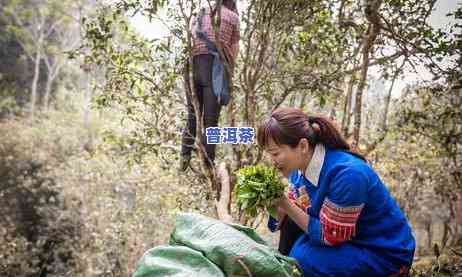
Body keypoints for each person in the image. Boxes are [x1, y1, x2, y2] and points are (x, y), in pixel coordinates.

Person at [257, 107, 415, 277]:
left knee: (301, 260)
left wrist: (286, 205)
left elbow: (330, 235)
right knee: (290, 233)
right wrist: (276, 206)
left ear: (302, 145)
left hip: (381, 252)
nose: (272, 161)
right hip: (348, 242)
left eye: (275, 153)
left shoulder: (348, 174)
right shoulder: (299, 171)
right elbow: (287, 215)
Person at [180, 0, 240, 171]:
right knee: (210, 122)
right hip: (214, 67)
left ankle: (184, 156)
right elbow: (234, 52)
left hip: (192, 65)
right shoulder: (233, 18)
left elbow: (190, 39)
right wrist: (229, 78)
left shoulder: (200, 13)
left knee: (193, 114)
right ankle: (208, 165)